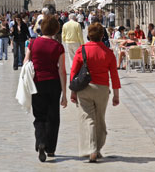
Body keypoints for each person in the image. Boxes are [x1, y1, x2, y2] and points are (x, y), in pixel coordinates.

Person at [70, 23, 120, 162]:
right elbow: (114, 75)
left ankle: (91, 150)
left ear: (89, 35)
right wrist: (116, 95)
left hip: (84, 88)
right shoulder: (108, 53)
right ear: (102, 35)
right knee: (100, 119)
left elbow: (74, 71)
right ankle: (97, 149)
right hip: (102, 89)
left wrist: (73, 91)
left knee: (89, 119)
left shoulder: (82, 50)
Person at [23, 15, 67, 162]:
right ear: (56, 29)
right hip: (53, 83)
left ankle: (41, 141)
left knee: (40, 116)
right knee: (53, 117)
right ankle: (51, 149)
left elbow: (26, 61)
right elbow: (61, 70)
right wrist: (65, 94)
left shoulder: (33, 43)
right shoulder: (58, 46)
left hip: (37, 82)